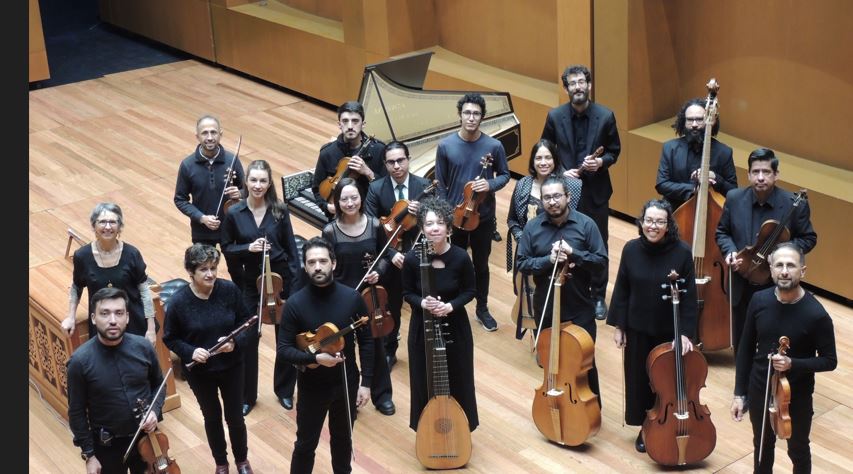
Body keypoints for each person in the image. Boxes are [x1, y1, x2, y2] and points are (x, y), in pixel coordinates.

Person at [730, 242, 837, 473]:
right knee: (762, 446)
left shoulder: (816, 314)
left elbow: (830, 360)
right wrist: (740, 393)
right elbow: (745, 349)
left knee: (797, 449)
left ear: (803, 271)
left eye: (791, 265)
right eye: (779, 265)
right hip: (760, 387)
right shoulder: (759, 301)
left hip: (796, 395)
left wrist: (793, 364)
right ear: (770, 269)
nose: (785, 271)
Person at [605, 199, 698, 453]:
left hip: (669, 333)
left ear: (668, 225)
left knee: (666, 384)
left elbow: (689, 298)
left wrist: (686, 334)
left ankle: (668, 425)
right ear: (641, 222)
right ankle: (646, 427)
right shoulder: (631, 249)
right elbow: (622, 289)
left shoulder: (681, 252)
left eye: (659, 221)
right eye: (649, 220)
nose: (653, 226)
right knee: (638, 382)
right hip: (637, 329)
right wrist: (619, 326)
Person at [277, 237, 374, 474]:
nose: (317, 267)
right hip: (312, 387)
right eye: (311, 262)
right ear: (305, 266)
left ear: (333, 263)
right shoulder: (294, 304)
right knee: (305, 445)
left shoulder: (352, 298)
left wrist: (366, 383)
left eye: (322, 261)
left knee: (343, 441)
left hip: (346, 382)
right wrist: (314, 359)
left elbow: (367, 341)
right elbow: (284, 349)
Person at [163, 244, 255, 474]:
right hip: (200, 372)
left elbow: (246, 324)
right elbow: (170, 338)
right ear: (190, 272)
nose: (210, 274)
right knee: (212, 417)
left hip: (232, 365)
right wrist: (190, 352)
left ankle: (242, 461)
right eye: (203, 269)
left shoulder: (229, 290)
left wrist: (234, 343)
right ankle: (221, 463)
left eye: (213, 268)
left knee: (235, 417)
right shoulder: (178, 302)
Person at [515, 175, 607, 402]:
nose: (552, 202)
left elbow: (601, 262)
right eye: (547, 198)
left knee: (584, 362)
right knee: (551, 361)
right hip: (545, 306)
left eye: (557, 196)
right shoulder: (532, 228)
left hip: (579, 306)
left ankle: (589, 408)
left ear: (568, 197)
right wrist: (548, 259)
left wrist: (575, 254)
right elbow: (522, 264)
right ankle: (555, 407)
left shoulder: (586, 225)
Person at [716, 148, 817, 353]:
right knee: (741, 341)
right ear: (749, 174)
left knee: (770, 341)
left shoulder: (793, 204)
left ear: (776, 174)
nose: (760, 177)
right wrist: (731, 252)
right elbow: (722, 232)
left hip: (774, 283)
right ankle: (741, 385)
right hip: (740, 279)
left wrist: (782, 254)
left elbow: (808, 238)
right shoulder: (734, 198)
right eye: (755, 172)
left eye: (766, 172)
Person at [541, 64, 621, 320]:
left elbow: (614, 150)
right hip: (564, 190)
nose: (578, 87)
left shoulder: (606, 116)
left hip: (595, 191)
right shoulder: (555, 117)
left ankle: (597, 295)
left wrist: (601, 162)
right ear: (566, 88)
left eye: (582, 82)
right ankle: (569, 288)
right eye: (572, 83)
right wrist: (561, 171)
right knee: (565, 239)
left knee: (598, 243)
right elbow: (546, 148)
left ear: (589, 85)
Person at [222, 159, 301, 415]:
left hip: (280, 280)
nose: (257, 185)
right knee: (248, 339)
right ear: (246, 181)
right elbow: (226, 248)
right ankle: (248, 396)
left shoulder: (279, 211)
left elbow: (292, 250)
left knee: (285, 338)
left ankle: (285, 390)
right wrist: (248, 248)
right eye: (253, 180)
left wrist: (293, 289)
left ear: (269, 183)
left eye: (263, 181)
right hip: (251, 282)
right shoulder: (234, 213)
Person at [67, 287, 165, 474]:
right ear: (94, 318)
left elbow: (159, 384)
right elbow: (76, 412)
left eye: (119, 313)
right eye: (105, 313)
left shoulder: (144, 347)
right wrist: (89, 455)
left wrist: (154, 410)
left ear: (127, 317)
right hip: (107, 447)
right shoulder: (79, 362)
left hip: (147, 439)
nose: (113, 320)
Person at [402, 196, 478, 432]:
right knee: (423, 379)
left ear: (448, 227)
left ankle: (460, 429)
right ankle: (428, 430)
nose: (434, 228)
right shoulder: (413, 259)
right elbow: (406, 293)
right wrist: (422, 302)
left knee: (459, 377)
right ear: (422, 228)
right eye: (428, 224)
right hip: (421, 328)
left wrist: (450, 306)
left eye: (439, 223)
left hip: (455, 327)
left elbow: (470, 290)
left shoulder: (460, 257)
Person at [434, 92, 510, 331]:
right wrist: (447, 215)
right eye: (467, 112)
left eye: (476, 113)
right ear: (460, 115)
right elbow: (441, 183)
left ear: (482, 117)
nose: (471, 117)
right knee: (452, 262)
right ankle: (452, 307)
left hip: (483, 217)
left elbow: (506, 175)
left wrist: (490, 184)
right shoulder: (445, 146)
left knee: (481, 264)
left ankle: (482, 308)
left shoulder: (493, 146)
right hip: (455, 218)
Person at [322, 177, 395, 416]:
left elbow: (384, 256)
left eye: (354, 197)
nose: (350, 202)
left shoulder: (374, 225)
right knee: (347, 350)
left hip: (370, 296)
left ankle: (382, 395)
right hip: (344, 297)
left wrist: (379, 272)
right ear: (337, 201)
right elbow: (327, 265)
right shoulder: (330, 231)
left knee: (375, 343)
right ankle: (350, 395)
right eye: (344, 198)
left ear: (361, 198)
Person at [364, 140, 432, 369]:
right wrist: (392, 253)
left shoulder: (424, 186)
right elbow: (372, 227)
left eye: (400, 160)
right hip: (389, 258)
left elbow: (435, 225)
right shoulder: (376, 189)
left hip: (418, 256)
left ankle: (422, 348)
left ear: (408, 159)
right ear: (385, 164)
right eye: (391, 162)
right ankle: (389, 348)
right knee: (391, 305)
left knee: (422, 305)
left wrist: (421, 212)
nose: (396, 166)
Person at [60, 202, 157, 345]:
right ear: (94, 226)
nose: (107, 227)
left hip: (133, 323)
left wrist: (151, 328)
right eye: (102, 222)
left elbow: (144, 291)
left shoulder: (132, 254)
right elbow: (76, 287)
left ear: (119, 227)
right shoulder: (82, 256)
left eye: (112, 222)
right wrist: (71, 317)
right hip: (103, 325)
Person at [505, 139, 572, 339]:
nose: (543, 162)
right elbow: (512, 220)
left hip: (555, 252)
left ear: (555, 160)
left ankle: (555, 340)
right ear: (533, 161)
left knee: (554, 299)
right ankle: (538, 338)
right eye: (539, 157)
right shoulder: (523, 184)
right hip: (526, 252)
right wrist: (522, 238)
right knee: (527, 295)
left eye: (548, 157)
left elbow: (573, 221)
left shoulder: (568, 187)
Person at [174, 114, 246, 289]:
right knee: (203, 270)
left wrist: (240, 193)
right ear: (197, 136)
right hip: (202, 230)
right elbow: (180, 199)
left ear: (220, 134)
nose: (210, 137)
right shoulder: (187, 165)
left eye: (213, 132)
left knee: (237, 270)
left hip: (231, 228)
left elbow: (247, 191)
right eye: (205, 133)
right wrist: (201, 217)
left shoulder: (232, 160)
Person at [656, 97, 738, 210]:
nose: (694, 124)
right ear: (683, 122)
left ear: (710, 121)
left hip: (710, 211)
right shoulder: (670, 148)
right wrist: (693, 190)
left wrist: (716, 178)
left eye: (699, 119)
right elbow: (662, 184)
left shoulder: (724, 152)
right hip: (675, 210)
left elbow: (733, 191)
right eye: (690, 120)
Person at [312, 100, 387, 219]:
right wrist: (326, 206)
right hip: (338, 217)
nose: (350, 126)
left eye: (355, 121)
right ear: (339, 124)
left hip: (370, 216)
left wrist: (368, 173)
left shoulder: (379, 150)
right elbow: (316, 189)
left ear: (363, 124)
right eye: (345, 121)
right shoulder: (327, 152)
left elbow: (387, 189)